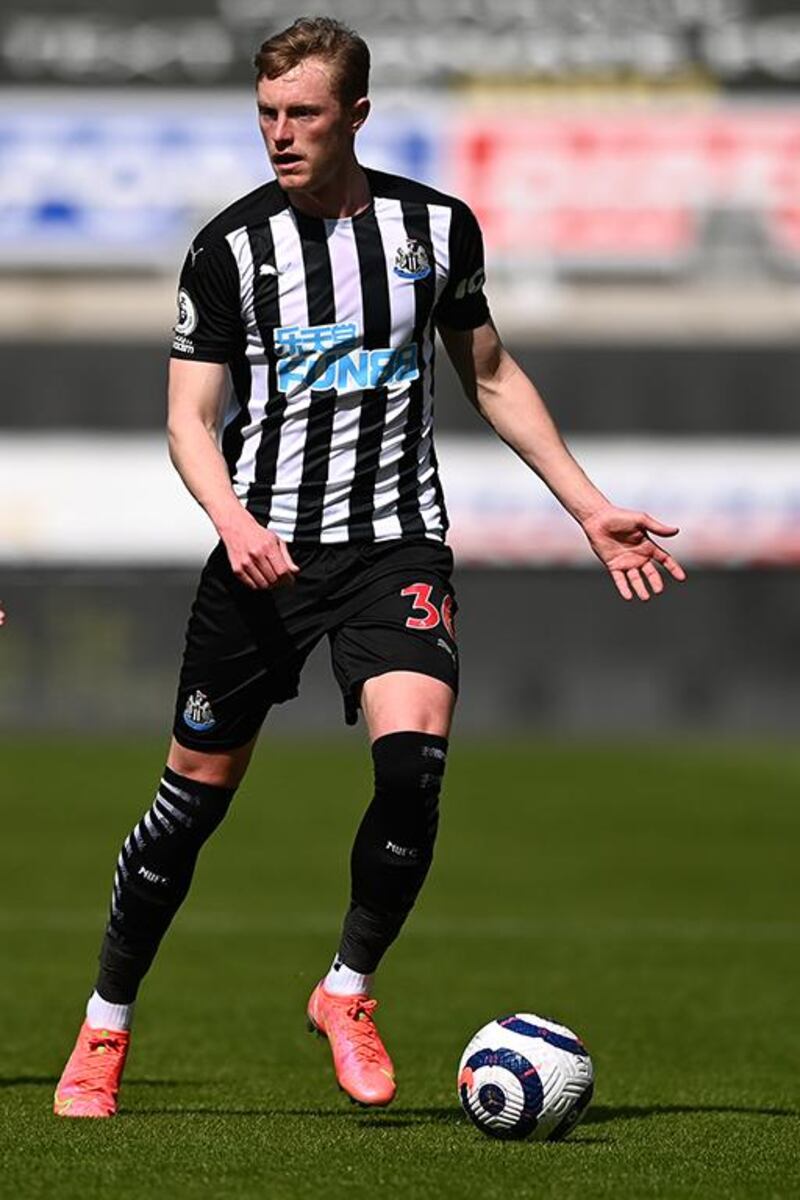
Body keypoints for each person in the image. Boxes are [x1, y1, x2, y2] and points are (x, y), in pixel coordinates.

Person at [53, 16, 685, 1119]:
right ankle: (104, 1025)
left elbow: (487, 375)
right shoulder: (227, 249)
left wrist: (587, 508)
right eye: (265, 114)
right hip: (263, 558)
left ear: (354, 113)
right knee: (187, 808)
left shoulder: (432, 230)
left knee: (413, 772)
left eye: (301, 113)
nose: (280, 134)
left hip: (395, 544)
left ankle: (346, 990)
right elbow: (188, 422)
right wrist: (233, 518)